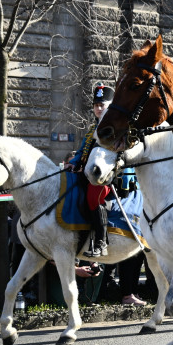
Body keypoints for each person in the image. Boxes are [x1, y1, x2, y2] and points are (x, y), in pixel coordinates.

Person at [67, 84, 115, 257]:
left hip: (106, 177)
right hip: (87, 174)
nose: (99, 108)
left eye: (102, 104)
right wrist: (73, 162)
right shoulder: (91, 130)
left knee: (93, 198)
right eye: (96, 105)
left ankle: (102, 242)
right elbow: (82, 151)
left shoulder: (115, 127)